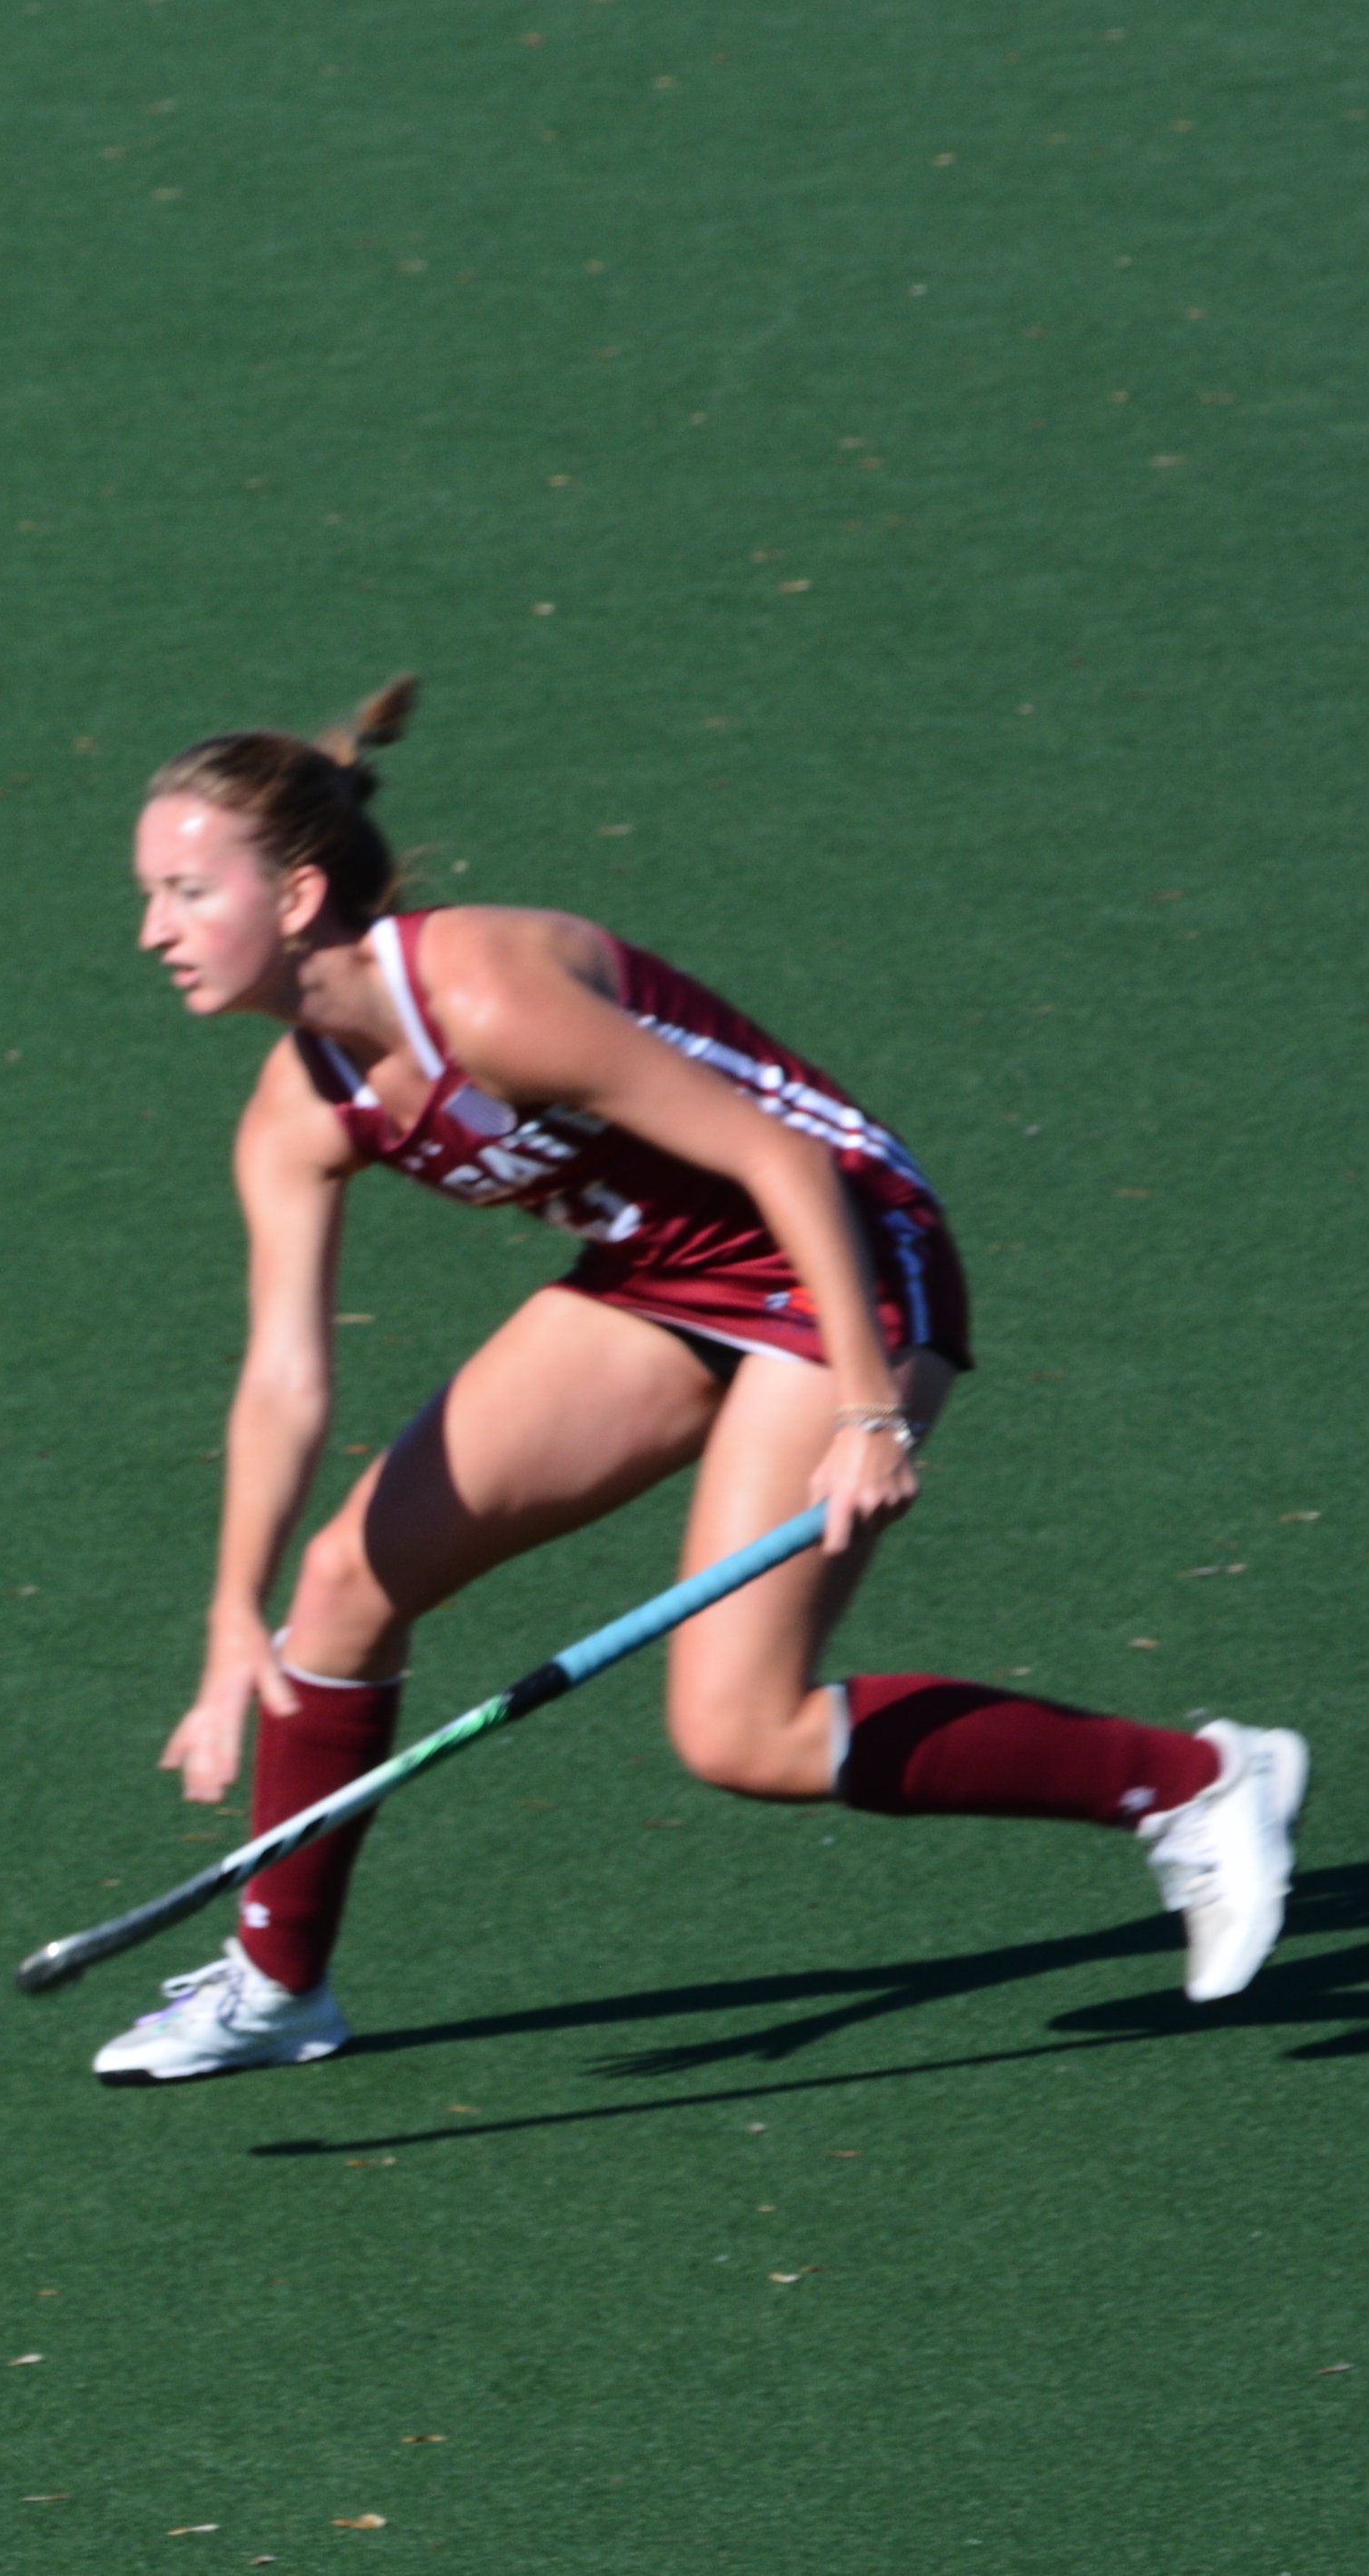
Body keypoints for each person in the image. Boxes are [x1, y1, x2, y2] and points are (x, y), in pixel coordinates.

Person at [97, 678, 1303, 2083]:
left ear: (297, 896)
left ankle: (1195, 1784)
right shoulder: (296, 1108)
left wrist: (867, 1408)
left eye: (187, 893)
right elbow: (283, 1377)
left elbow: (782, 1160)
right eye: (150, 895)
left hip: (842, 1252)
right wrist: (230, 1613)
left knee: (742, 1732)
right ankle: (275, 1986)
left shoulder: (480, 998)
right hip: (659, 1276)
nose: (152, 930)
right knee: (338, 1588)